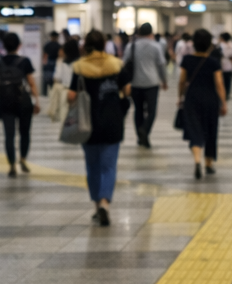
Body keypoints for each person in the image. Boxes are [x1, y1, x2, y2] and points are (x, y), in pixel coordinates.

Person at [69, 30, 133, 226]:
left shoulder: (80, 67)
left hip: (87, 124)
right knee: (108, 165)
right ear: (104, 44)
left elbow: (71, 96)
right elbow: (127, 90)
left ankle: (97, 205)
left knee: (92, 166)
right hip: (113, 122)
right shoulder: (115, 64)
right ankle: (105, 203)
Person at [179, 28, 228, 180]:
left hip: (192, 98)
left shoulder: (187, 60)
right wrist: (224, 103)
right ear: (209, 45)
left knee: (194, 129)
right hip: (210, 99)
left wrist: (180, 96)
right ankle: (208, 164)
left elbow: (182, 81)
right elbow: (219, 83)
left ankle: (197, 160)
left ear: (193, 44)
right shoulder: (213, 62)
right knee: (211, 130)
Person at [0, 32, 39, 177]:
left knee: (9, 135)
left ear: (4, 46)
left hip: (5, 102)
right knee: (25, 133)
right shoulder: (24, 61)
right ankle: (23, 159)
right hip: (23, 102)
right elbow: (31, 82)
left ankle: (12, 164)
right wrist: (36, 100)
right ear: (19, 45)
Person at [126, 22, 169, 148]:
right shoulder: (156, 46)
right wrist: (164, 80)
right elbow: (161, 65)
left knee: (138, 110)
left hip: (135, 83)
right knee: (152, 111)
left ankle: (141, 137)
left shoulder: (131, 46)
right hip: (152, 83)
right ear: (151, 33)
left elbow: (124, 63)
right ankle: (145, 131)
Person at [42, 31, 62, 95]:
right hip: (55, 64)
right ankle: (53, 95)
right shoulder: (59, 45)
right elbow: (60, 56)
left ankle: (44, 94)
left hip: (48, 63)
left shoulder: (47, 45)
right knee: (53, 81)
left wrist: (44, 64)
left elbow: (44, 55)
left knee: (45, 81)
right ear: (57, 37)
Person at [219, 32, 232, 96]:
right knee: (228, 83)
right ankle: (227, 94)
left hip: (221, 67)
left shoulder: (221, 45)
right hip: (229, 67)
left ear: (222, 38)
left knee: (221, 82)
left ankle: (222, 94)